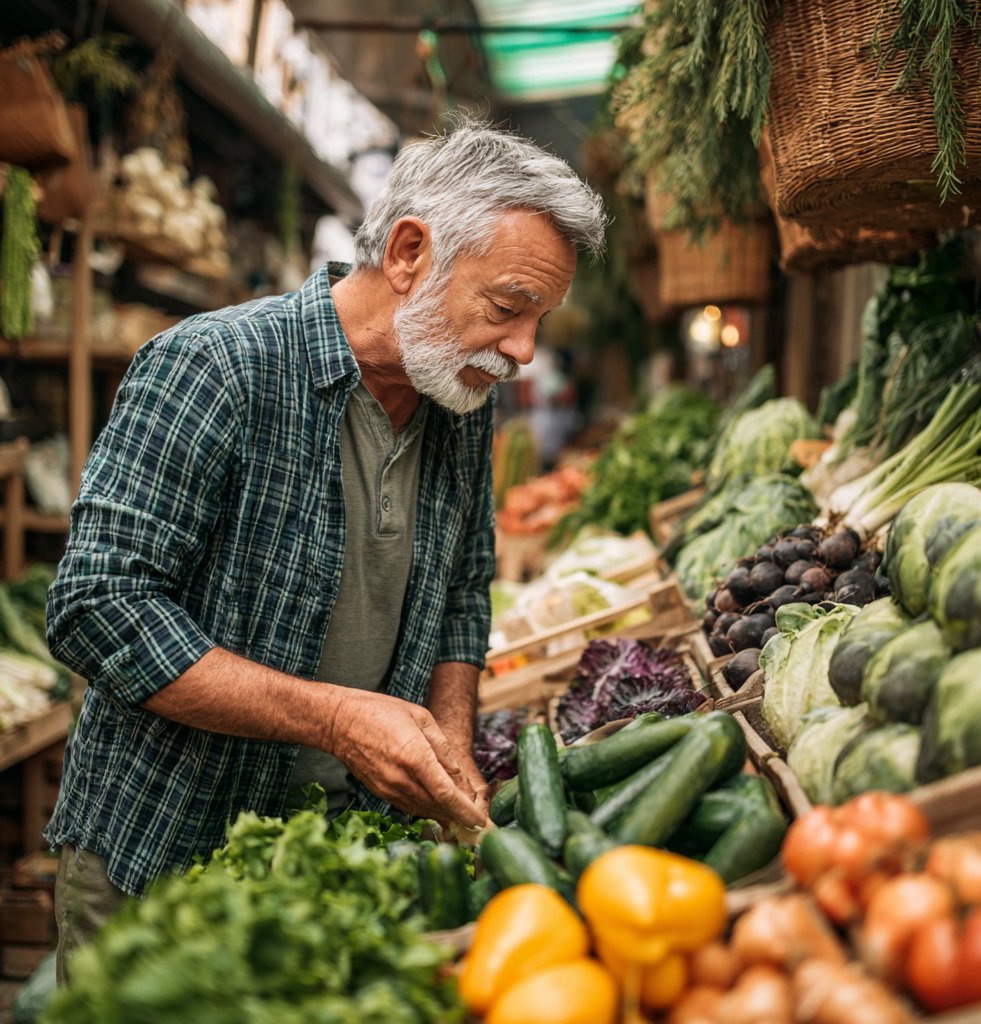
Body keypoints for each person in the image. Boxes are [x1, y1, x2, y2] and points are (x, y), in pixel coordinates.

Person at [44, 116, 605, 980]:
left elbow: (463, 588)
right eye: (507, 309)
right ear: (410, 253)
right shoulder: (213, 367)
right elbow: (97, 609)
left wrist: (450, 733)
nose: (524, 352)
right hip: (165, 858)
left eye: (540, 321)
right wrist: (338, 718)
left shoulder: (456, 395)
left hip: (334, 861)